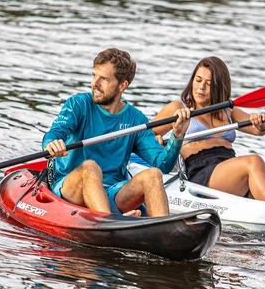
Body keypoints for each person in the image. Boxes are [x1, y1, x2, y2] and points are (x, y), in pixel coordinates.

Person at [152, 57, 265, 208]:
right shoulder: (178, 109)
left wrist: (260, 124)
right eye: (198, 81)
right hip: (201, 172)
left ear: (219, 87)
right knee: (253, 162)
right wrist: (157, 140)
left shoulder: (229, 110)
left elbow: (259, 131)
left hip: (229, 167)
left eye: (208, 84)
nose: (201, 88)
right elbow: (145, 136)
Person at [43, 48, 191, 217]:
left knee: (153, 175)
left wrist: (177, 136)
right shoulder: (78, 104)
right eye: (94, 75)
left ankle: (164, 233)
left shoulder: (136, 119)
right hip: (71, 187)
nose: (95, 84)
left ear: (122, 85)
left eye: (104, 79)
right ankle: (110, 223)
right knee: (90, 167)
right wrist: (52, 143)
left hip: (113, 192)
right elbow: (55, 133)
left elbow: (162, 165)